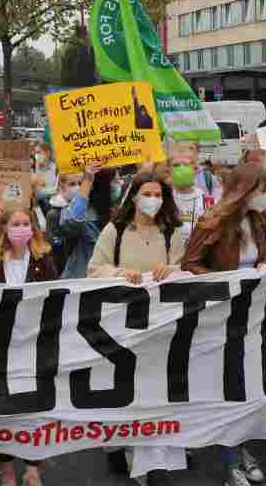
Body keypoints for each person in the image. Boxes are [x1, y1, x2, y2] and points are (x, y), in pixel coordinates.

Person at [88, 171, 185, 486]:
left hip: (161, 325)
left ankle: (153, 464)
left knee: (153, 392)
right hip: (121, 324)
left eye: (159, 194)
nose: (153, 200)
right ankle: (116, 443)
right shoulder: (114, 231)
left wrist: (173, 270)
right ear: (133, 196)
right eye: (147, 193)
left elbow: (186, 272)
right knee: (122, 389)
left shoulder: (173, 233)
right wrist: (118, 273)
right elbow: (93, 270)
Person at [181, 163, 266, 486]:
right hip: (218, 317)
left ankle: (241, 448)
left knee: (246, 389)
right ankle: (231, 460)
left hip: (251, 316)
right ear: (245, 190)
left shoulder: (260, 221)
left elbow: (263, 257)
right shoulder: (213, 222)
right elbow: (189, 264)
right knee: (226, 388)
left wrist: (264, 264)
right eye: (262, 189)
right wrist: (228, 282)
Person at [0, 206, 56, 486]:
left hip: (34, 342)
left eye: (25, 223)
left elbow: (56, 294)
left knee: (35, 404)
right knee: (3, 404)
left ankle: (32, 467)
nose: (21, 228)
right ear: (3, 227)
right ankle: (5, 466)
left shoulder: (44, 257)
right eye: (15, 223)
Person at [58, 162, 114, 279]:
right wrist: (87, 180)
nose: (116, 184)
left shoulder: (115, 212)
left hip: (109, 279)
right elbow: (72, 222)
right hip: (82, 280)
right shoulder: (75, 212)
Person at [167, 152, 214, 250]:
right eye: (176, 165)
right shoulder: (163, 198)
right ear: (169, 170)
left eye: (186, 165)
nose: (181, 168)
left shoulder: (207, 201)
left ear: (195, 169)